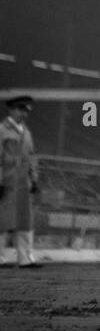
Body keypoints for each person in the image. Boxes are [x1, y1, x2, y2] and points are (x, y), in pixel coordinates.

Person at [1, 95, 41, 269]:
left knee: (25, 221)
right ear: (11, 109)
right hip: (7, 182)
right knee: (2, 221)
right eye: (21, 109)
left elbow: (32, 157)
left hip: (24, 183)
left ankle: (26, 258)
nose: (24, 114)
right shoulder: (2, 130)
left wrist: (34, 180)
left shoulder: (27, 133)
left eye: (25, 111)